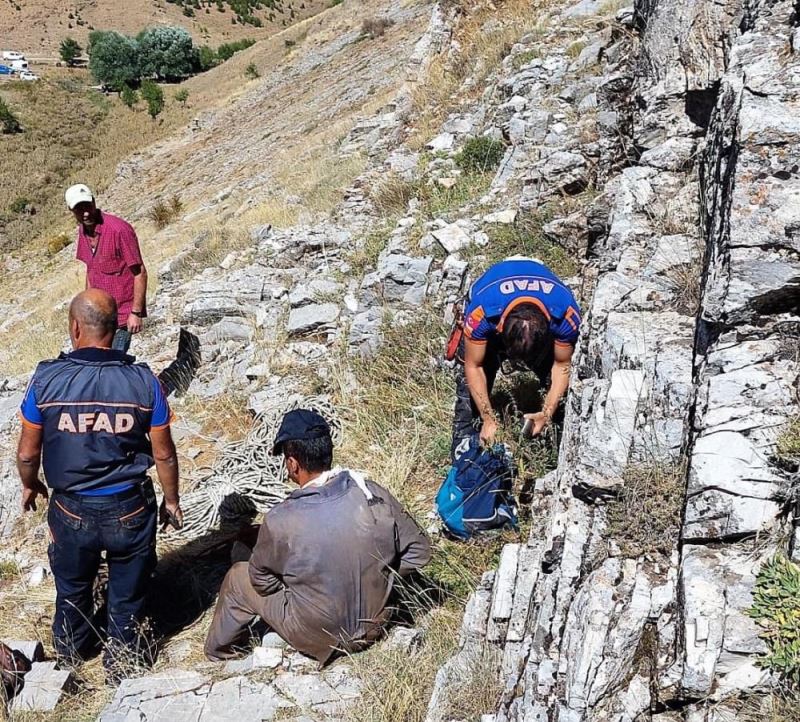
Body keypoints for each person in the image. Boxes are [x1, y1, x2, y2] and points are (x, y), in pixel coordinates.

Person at [16, 289, 183, 676]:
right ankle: (123, 664)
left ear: (75, 327)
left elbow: (27, 453)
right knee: (127, 593)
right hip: (130, 507)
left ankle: (72, 656)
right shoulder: (143, 381)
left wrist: (30, 484)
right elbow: (164, 453)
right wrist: (171, 499)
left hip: (70, 508)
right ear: (115, 329)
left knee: (72, 589)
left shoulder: (46, 380)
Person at [204, 409, 431, 664]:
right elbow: (419, 551)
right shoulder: (371, 493)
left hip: (318, 636)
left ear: (292, 463)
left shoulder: (281, 519)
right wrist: (380, 576)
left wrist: (298, 584)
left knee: (238, 576)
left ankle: (220, 653)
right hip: (375, 624)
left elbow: (261, 582)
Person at [452, 256, 582, 457]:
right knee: (469, 394)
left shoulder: (565, 314)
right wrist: (488, 419)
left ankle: (554, 443)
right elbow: (473, 366)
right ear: (501, 328)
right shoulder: (483, 313)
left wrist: (546, 413)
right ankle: (465, 451)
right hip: (491, 307)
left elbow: (562, 364)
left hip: (539, 323)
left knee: (557, 390)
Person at [66, 184, 148, 354]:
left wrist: (136, 313)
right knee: (95, 359)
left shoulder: (119, 230)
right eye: (79, 209)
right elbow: (91, 269)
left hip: (122, 315)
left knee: (114, 359)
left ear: (94, 202)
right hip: (98, 315)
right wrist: (86, 308)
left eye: (87, 206)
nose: (86, 213)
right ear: (71, 211)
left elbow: (139, 272)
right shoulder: (83, 231)